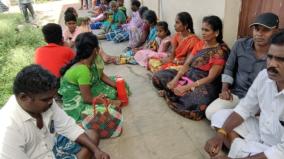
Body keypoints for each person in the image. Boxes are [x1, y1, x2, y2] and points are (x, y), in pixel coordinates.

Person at [0, 64, 109, 159]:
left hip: (53, 147)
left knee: (92, 134)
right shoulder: (7, 128)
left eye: (52, 98)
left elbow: (68, 127)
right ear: (24, 97)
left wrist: (97, 151)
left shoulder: (47, 102)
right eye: (45, 99)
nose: (51, 102)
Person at [204, 31, 284, 159]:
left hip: (279, 150)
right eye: (270, 57)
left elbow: (281, 151)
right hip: (261, 132)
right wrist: (221, 134)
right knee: (219, 116)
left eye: (281, 59)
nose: (272, 64)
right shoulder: (264, 76)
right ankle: (242, 151)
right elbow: (245, 108)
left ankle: (239, 152)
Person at [152, 15, 230, 120]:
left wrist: (187, 87)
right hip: (189, 74)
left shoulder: (220, 52)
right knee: (158, 76)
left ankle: (170, 92)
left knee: (198, 103)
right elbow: (187, 64)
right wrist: (176, 79)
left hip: (204, 82)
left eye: (206, 30)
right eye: (202, 29)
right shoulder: (201, 44)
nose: (203, 32)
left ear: (216, 32)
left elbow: (210, 78)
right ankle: (174, 91)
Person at [205, 12, 279, 120]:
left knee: (267, 125)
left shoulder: (278, 54)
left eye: (266, 30)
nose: (259, 33)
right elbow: (229, 68)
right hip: (236, 94)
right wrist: (224, 89)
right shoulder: (240, 44)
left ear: (276, 31)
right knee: (210, 113)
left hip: (259, 102)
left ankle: (235, 121)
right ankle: (236, 120)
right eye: (256, 29)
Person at [59, 32, 125, 138]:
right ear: (95, 50)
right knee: (108, 111)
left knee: (119, 84)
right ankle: (80, 125)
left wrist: (117, 86)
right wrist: (111, 102)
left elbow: (101, 75)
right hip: (76, 102)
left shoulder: (90, 61)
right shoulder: (83, 70)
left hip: (86, 90)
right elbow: (87, 99)